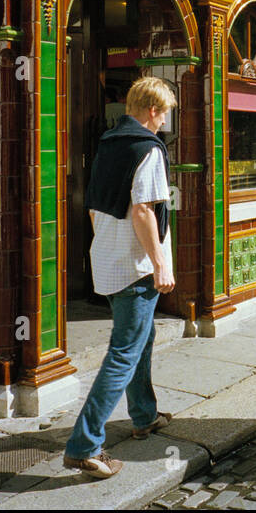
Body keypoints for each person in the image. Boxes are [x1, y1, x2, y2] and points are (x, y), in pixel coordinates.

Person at [63, 77, 177, 479]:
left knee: (142, 339)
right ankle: (84, 445)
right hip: (136, 266)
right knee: (124, 353)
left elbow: (93, 208)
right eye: (164, 113)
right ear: (152, 110)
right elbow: (144, 210)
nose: (165, 122)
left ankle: (144, 415)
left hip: (109, 259)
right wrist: (160, 262)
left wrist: (108, 247)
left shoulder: (108, 144)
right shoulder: (148, 150)